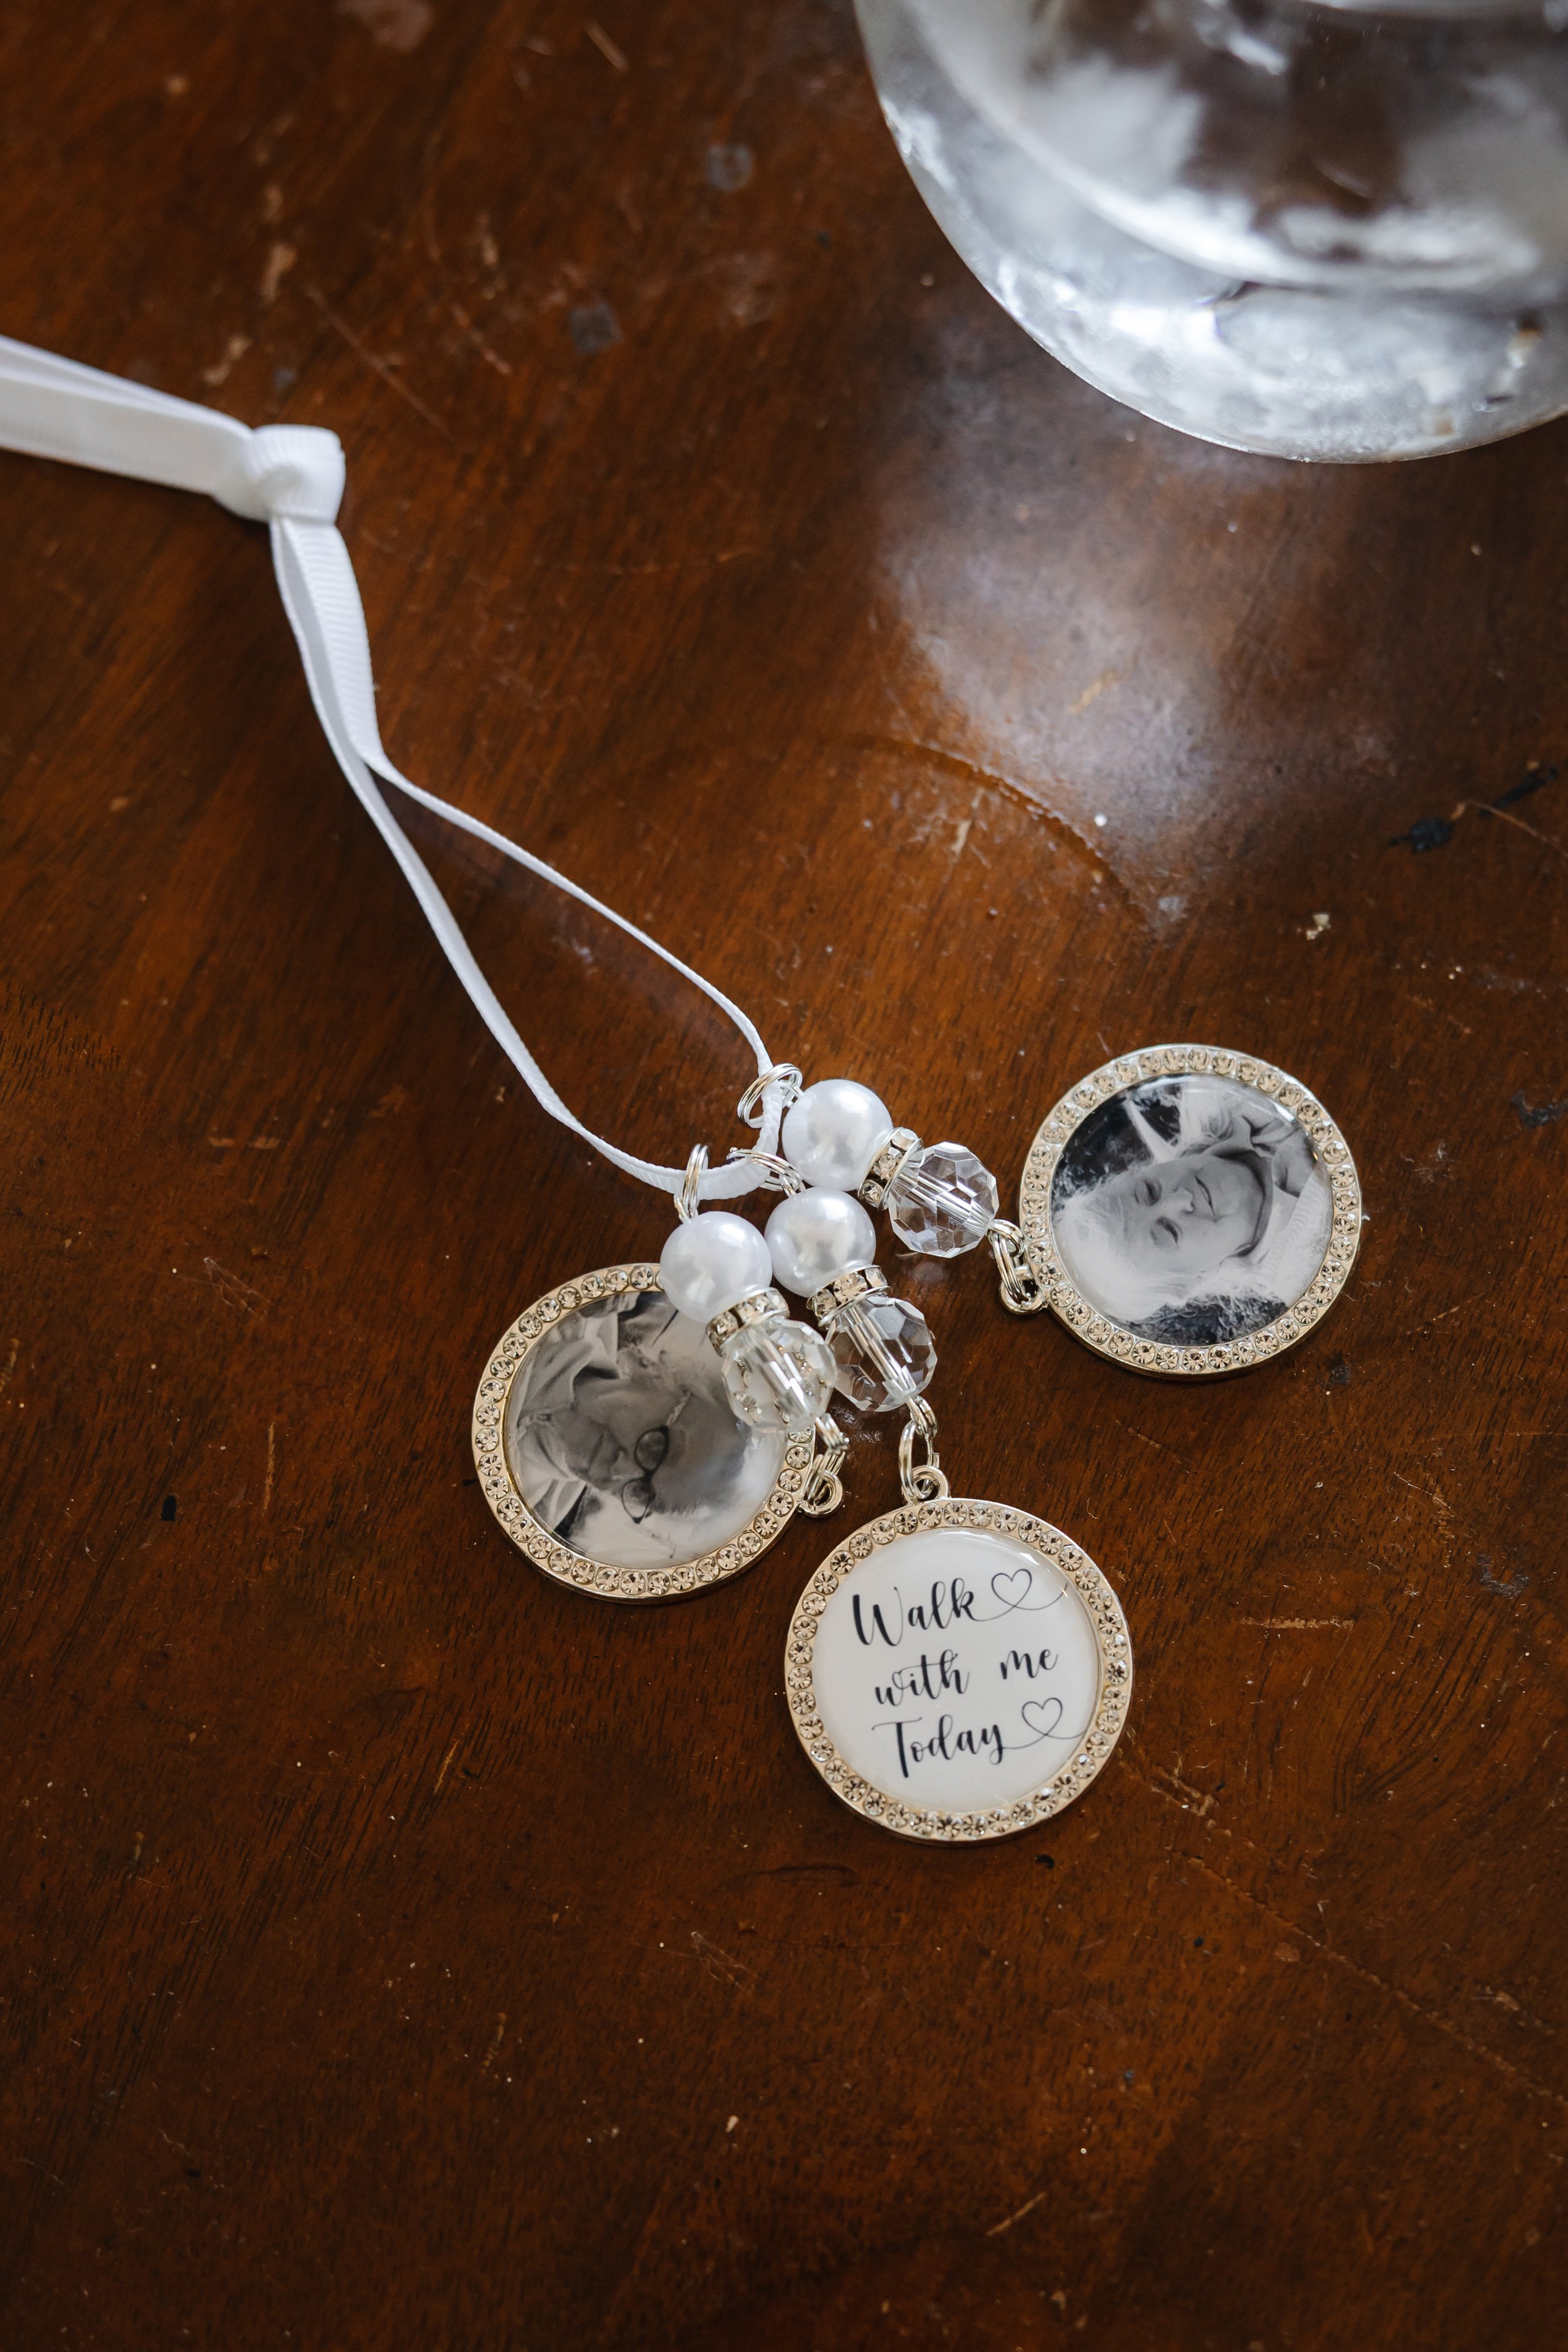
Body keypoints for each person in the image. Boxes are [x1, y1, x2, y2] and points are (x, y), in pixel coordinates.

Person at [506, 1290, 781, 1567]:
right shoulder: (568, 1305)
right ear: (657, 1373)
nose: (619, 1472)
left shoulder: (525, 1525)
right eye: (656, 1449)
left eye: (644, 1494)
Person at [1052, 1078, 1332, 1345]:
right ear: (1194, 1280)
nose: (1181, 1199)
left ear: (1141, 1170)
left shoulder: (1211, 1095)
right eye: (1170, 1231)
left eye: (1150, 1190)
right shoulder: (1311, 1270)